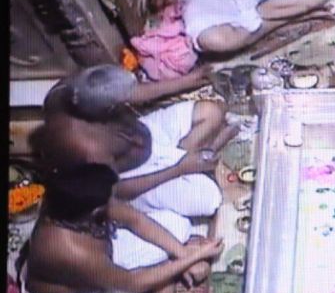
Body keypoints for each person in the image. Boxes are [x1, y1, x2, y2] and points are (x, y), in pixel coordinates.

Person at [35, 63, 238, 218]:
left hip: (150, 133)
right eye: (124, 103)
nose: (131, 102)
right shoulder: (86, 147)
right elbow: (116, 191)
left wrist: (188, 80)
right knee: (209, 200)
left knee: (211, 112)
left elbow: (136, 92)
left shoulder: (84, 84)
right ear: (110, 110)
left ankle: (195, 157)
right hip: (137, 173)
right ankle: (199, 158)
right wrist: (179, 169)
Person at [20, 164, 224, 293]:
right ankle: (162, 281)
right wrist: (196, 256)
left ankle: (163, 276)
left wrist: (182, 253)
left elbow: (136, 220)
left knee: (177, 224)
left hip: (104, 256)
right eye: (109, 200)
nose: (114, 202)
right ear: (95, 212)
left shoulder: (77, 200)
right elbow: (134, 283)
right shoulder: (71, 251)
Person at [149, 0, 335, 54]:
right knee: (216, 40)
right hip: (209, 2)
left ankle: (277, 14)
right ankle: (284, 19)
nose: (163, 1)